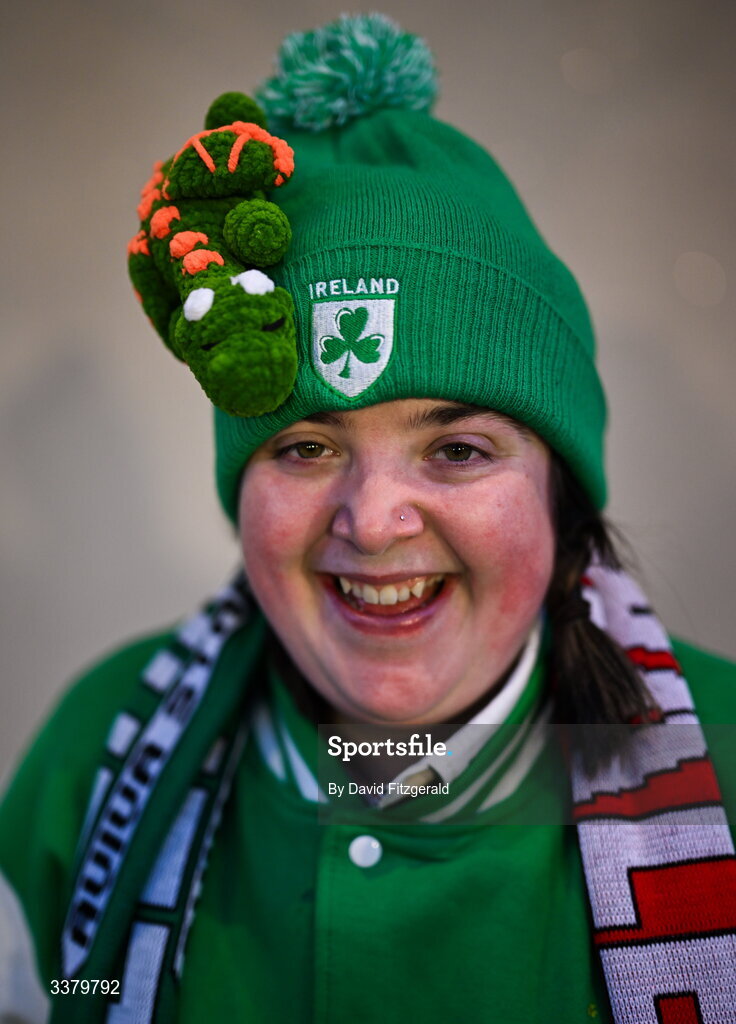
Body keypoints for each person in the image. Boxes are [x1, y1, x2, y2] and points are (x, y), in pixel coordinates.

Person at [1, 13, 735, 1024]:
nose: (375, 521)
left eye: (459, 449)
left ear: (562, 494)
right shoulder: (89, 762)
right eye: (305, 446)